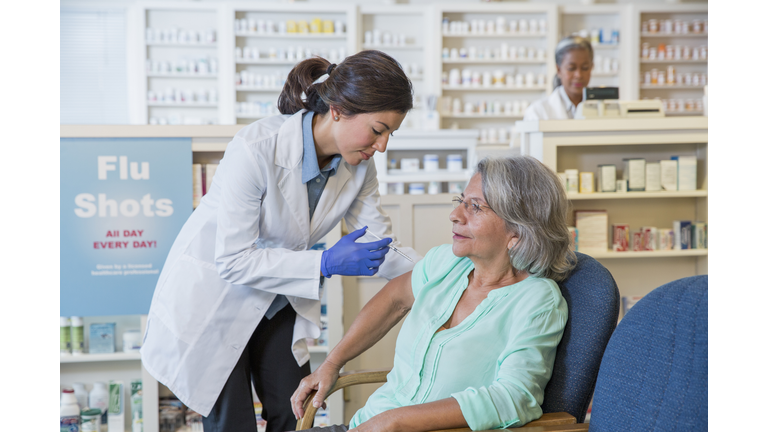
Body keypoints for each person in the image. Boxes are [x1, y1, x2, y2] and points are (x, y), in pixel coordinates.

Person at [140, 50, 421, 432]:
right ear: (338, 110)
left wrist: (445, 273)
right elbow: (235, 260)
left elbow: (378, 243)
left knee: (296, 411)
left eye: (391, 133)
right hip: (218, 296)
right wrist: (322, 264)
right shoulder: (256, 148)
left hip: (278, 298)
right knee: (232, 424)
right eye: (377, 129)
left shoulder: (359, 166)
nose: (383, 145)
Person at [292, 155, 576, 432]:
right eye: (460, 201)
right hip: (368, 424)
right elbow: (394, 300)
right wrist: (331, 363)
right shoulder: (446, 262)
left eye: (475, 207)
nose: (455, 215)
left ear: (519, 231)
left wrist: (395, 421)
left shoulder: (537, 301)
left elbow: (514, 398)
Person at [524, 36, 594, 120]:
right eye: (571, 68)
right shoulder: (538, 111)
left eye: (585, 68)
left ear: (591, 67)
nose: (578, 75)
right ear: (559, 69)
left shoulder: (606, 109)